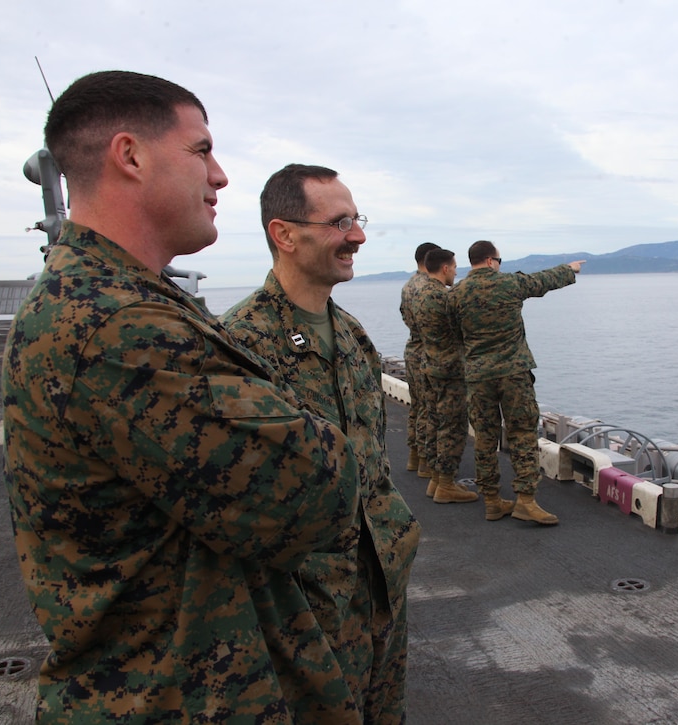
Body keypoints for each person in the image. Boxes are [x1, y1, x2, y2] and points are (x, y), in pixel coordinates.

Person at [3, 71, 366, 722]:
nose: (221, 175)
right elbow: (319, 491)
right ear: (130, 156)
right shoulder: (116, 328)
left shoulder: (117, 302)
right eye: (201, 150)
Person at [222, 164, 421, 724]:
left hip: (380, 584)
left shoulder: (353, 334)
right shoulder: (241, 344)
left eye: (356, 220)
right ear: (285, 234)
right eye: (339, 223)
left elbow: (373, 466)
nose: (357, 236)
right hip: (303, 611)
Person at [451, 241, 584, 525]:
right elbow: (543, 281)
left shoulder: (456, 294)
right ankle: (525, 500)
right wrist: (570, 269)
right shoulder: (510, 284)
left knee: (485, 439)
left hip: (477, 375)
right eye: (499, 260)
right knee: (522, 433)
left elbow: (455, 333)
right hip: (513, 374)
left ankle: (492, 501)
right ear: (490, 261)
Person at [410, 248, 478, 505]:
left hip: (428, 364)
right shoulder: (443, 297)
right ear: (445, 268)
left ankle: (436, 479)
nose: (457, 271)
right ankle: (447, 485)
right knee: (452, 427)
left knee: (435, 422)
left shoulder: (418, 292)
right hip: (449, 369)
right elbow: (463, 329)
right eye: (455, 266)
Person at [399, 242, 440, 479]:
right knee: (430, 408)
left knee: (417, 406)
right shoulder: (428, 287)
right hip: (427, 351)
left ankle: (414, 455)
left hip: (412, 348)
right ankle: (427, 460)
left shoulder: (408, 285)